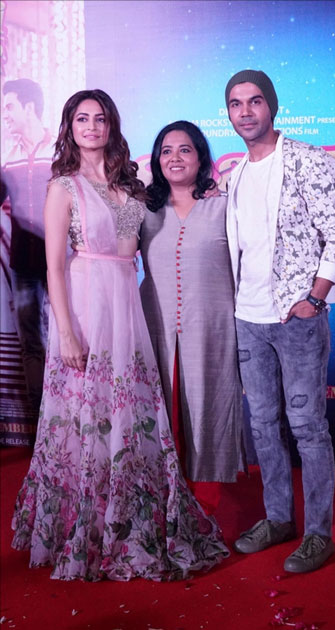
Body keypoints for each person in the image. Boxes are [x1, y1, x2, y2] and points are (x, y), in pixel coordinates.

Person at [11, 90, 228, 582]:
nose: (92, 126)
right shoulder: (62, 188)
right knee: (86, 414)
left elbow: (152, 225)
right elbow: (53, 269)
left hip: (127, 307)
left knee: (128, 412)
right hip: (85, 307)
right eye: (82, 118)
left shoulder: (130, 185)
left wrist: (210, 192)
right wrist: (65, 332)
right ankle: (86, 527)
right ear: (69, 127)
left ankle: (129, 517)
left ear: (112, 125)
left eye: (101, 118)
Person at [224, 70, 335, 573]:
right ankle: (278, 518)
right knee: (261, 424)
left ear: (272, 107)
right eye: (236, 104)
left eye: (255, 101)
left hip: (295, 318)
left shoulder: (306, 160)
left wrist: (314, 299)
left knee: (306, 427)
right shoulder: (234, 174)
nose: (246, 112)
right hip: (247, 317)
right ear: (229, 112)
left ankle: (319, 533)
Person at [140, 121, 245, 515]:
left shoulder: (224, 207)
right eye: (166, 151)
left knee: (208, 411)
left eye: (185, 149)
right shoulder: (145, 212)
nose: (175, 158)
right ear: (156, 160)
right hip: (156, 331)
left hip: (212, 331)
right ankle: (161, 504)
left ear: (201, 156)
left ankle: (204, 511)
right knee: (162, 414)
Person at [1, 79, 53, 416]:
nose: (4, 115)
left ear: (29, 107)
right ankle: (41, 430)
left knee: (72, 338)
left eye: (9, 107)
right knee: (31, 344)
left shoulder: (64, 149)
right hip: (24, 266)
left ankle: (74, 424)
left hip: (65, 261)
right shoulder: (6, 153)